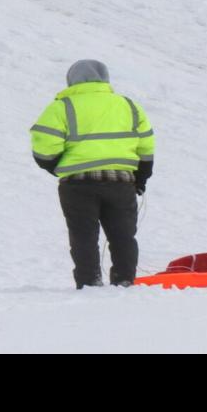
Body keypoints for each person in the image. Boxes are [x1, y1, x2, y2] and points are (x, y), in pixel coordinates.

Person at [30, 60, 156, 289]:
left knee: (83, 236)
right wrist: (140, 178)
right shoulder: (128, 105)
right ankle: (124, 281)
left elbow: (43, 147)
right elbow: (146, 146)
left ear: (72, 80)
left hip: (77, 185)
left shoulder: (62, 107)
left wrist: (59, 167)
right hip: (121, 183)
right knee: (123, 236)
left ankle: (89, 283)